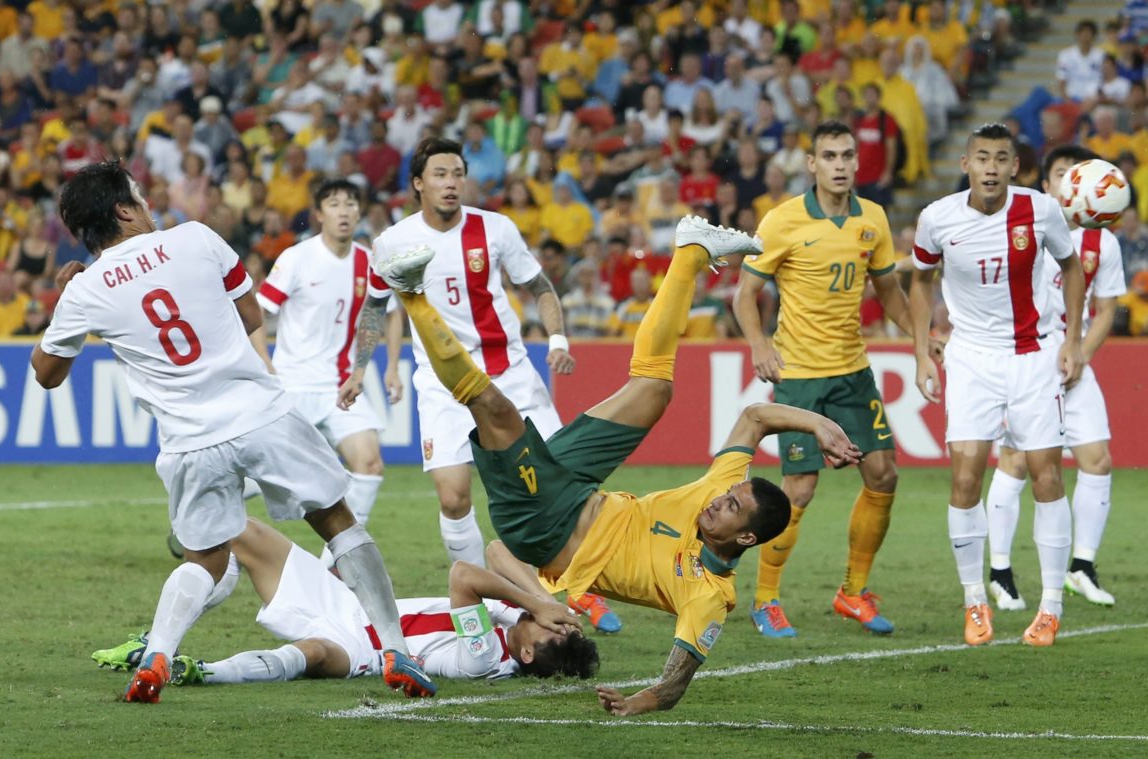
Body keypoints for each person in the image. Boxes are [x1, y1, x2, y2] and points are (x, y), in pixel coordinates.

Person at [349, 214, 861, 715]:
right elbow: (755, 416)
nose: (719, 498)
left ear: (745, 537)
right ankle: (691, 251)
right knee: (653, 390)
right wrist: (817, 423)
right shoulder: (720, 489)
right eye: (730, 493)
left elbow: (676, 678)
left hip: (545, 526)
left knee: (495, 409)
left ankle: (411, 293)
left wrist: (639, 701)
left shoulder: (707, 594)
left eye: (731, 507)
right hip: (580, 486)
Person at [31, 162, 436, 703]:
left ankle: (158, 654)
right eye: (139, 197)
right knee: (337, 520)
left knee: (205, 557)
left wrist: (72, 301)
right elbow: (249, 315)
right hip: (258, 412)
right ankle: (394, 651)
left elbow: (47, 373)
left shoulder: (87, 289)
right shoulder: (195, 238)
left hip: (187, 440)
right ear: (124, 211)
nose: (148, 205)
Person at [340, 138, 621, 634]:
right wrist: (360, 368)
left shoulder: (496, 229)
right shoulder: (392, 242)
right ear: (418, 183)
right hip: (442, 385)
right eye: (441, 174)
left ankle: (580, 588)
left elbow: (540, 287)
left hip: (509, 374)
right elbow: (374, 308)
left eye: (458, 173)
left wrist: (556, 338)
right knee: (452, 497)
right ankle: (489, 605)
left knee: (560, 491)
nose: (451, 182)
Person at [734, 120, 914, 639]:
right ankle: (766, 600)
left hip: (853, 372)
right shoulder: (783, 220)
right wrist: (759, 344)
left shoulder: (873, 220)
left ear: (858, 162)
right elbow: (744, 295)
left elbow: (890, 291)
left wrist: (921, 338)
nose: (839, 165)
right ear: (811, 164)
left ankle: (852, 593)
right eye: (829, 156)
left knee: (883, 475)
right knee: (799, 488)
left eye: (847, 155)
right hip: (800, 377)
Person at [909, 123, 1087, 648]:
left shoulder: (1041, 210)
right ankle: (975, 601)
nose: (991, 167)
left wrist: (1071, 340)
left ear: (1015, 167)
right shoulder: (937, 218)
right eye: (981, 157)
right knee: (965, 478)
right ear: (965, 165)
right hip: (970, 358)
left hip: (1033, 356)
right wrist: (922, 349)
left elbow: (1072, 268)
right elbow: (919, 280)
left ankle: (1050, 607)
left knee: (1046, 476)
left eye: (1001, 158)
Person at [92, 518, 598, 685]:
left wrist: (536, 603)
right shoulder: (519, 618)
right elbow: (497, 549)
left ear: (528, 653)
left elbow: (465, 574)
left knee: (310, 655)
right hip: (352, 604)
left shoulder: (487, 652)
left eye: (556, 632)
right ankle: (159, 639)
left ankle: (195, 669)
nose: (551, 621)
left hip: (365, 649)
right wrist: (541, 600)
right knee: (234, 529)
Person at [985, 146, 1126, 609]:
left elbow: (1105, 309)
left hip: (1074, 362)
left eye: (1081, 176)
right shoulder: (1020, 231)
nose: (1074, 185)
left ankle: (1081, 567)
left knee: (1098, 460)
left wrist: (1080, 354)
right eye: (1064, 176)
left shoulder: (1101, 242)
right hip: (1027, 362)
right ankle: (1000, 572)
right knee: (1018, 462)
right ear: (1047, 186)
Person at [250, 178, 403, 564]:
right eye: (335, 204)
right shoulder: (297, 258)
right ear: (319, 214)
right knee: (266, 475)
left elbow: (393, 312)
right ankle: (209, 510)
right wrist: (265, 365)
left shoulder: (369, 262)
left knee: (369, 464)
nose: (344, 211)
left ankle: (332, 563)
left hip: (340, 387)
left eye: (351, 203)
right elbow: (254, 313)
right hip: (292, 386)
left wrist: (392, 368)